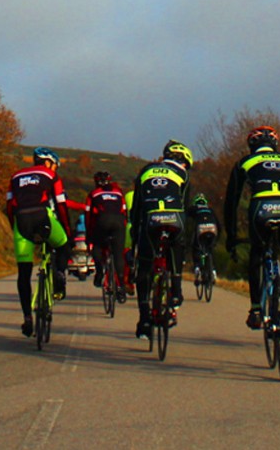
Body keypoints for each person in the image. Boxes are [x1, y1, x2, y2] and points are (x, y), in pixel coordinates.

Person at [224, 125, 280, 347]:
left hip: (262, 208)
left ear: (252, 146)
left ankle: (255, 309)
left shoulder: (245, 162)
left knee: (257, 254)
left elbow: (231, 203)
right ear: (275, 145)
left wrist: (231, 237)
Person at [5, 147, 73, 338]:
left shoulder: (16, 176)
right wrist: (67, 229)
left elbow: (10, 206)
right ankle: (59, 274)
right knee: (63, 244)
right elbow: (61, 204)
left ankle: (27, 317)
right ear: (49, 163)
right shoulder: (51, 175)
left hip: (22, 222)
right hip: (43, 217)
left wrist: (14, 228)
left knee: (24, 273)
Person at [128, 139, 193, 340]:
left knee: (145, 268)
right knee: (177, 243)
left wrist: (135, 236)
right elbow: (186, 206)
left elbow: (137, 208)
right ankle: (175, 290)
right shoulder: (183, 174)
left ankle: (144, 318)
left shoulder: (146, 171)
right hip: (174, 218)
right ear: (184, 162)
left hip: (150, 219)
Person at [86, 170, 128, 302]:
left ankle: (99, 272)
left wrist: (89, 236)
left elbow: (88, 216)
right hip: (119, 223)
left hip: (102, 221)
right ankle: (121, 287)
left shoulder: (93, 194)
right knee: (118, 254)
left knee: (97, 246)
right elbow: (125, 212)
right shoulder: (119, 192)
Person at [187, 194, 220, 286]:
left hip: (200, 229)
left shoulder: (193, 209)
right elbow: (218, 225)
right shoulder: (210, 210)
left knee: (196, 247)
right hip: (213, 228)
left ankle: (197, 268)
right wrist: (217, 240)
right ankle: (213, 271)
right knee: (210, 249)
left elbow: (186, 221)